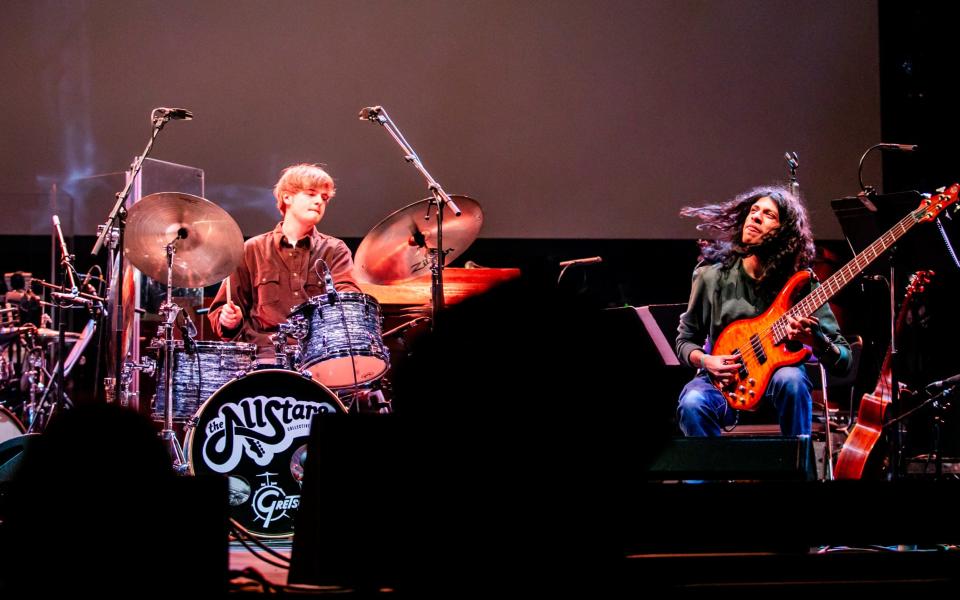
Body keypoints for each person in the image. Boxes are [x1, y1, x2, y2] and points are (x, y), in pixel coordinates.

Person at [675, 186, 852, 437]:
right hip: (724, 383)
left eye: (769, 215)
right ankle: (714, 473)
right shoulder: (711, 275)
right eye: (754, 210)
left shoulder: (801, 283)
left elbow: (844, 360)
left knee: (791, 380)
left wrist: (815, 339)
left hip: (777, 385)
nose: (755, 217)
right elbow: (685, 340)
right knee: (692, 403)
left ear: (784, 233)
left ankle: (797, 470)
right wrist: (706, 361)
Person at [208, 164, 361, 359]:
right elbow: (222, 312)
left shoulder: (335, 249)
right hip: (262, 355)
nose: (319, 202)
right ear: (287, 197)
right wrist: (230, 320)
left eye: (324, 198)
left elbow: (349, 298)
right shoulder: (252, 249)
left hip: (318, 357)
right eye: (311, 194)